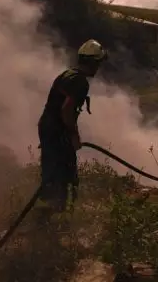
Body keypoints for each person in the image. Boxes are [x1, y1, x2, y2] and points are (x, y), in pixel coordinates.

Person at [37, 39, 109, 213]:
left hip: (48, 128)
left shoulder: (67, 74)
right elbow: (67, 110)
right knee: (66, 175)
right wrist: (74, 136)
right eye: (98, 63)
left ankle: (46, 214)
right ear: (93, 63)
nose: (99, 68)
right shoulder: (80, 82)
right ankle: (57, 215)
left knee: (51, 173)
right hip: (57, 132)